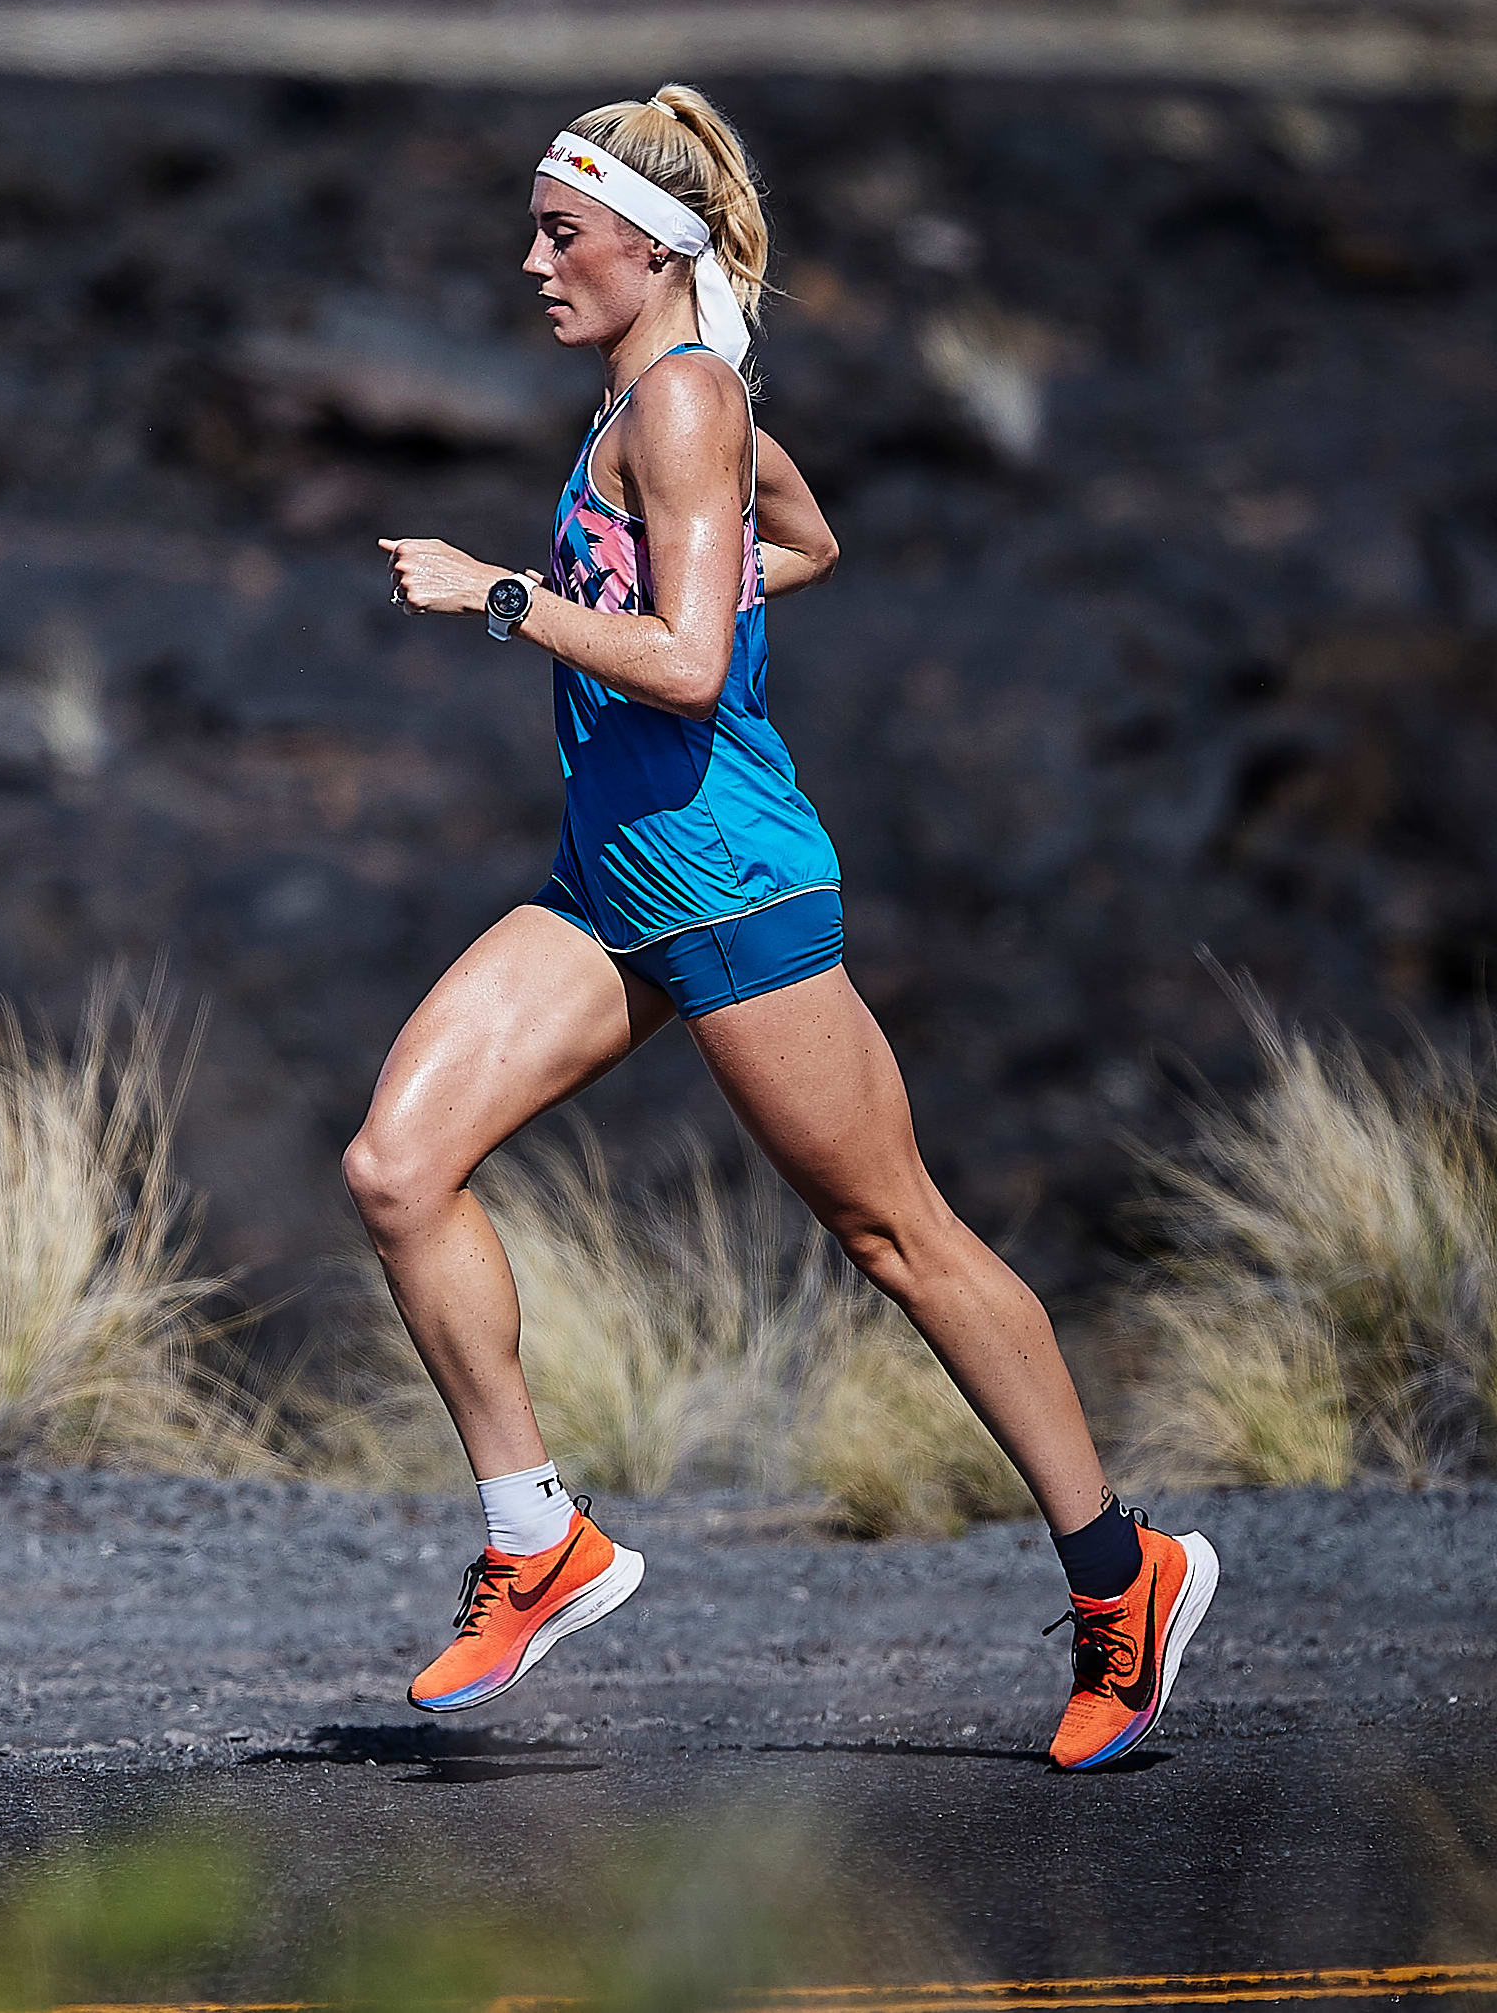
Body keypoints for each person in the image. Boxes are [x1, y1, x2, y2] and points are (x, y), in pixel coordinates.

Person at [352, 86, 1215, 1773]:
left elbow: (682, 660)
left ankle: (1128, 1572)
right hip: (610, 882)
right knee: (395, 1168)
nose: (530, 261)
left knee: (897, 1239)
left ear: (650, 244)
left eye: (558, 230)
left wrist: (504, 595)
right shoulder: (678, 406)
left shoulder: (678, 405)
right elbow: (802, 542)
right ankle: (539, 1539)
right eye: (533, 228)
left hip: (731, 884)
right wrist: (703, 590)